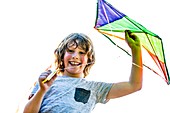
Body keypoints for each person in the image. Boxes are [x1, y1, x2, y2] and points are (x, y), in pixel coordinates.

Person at [23, 30, 143, 113]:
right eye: (70, 51)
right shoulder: (47, 81)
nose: (75, 56)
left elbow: (134, 85)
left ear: (89, 59)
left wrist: (136, 50)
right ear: (61, 55)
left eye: (81, 53)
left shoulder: (95, 88)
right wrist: (42, 90)